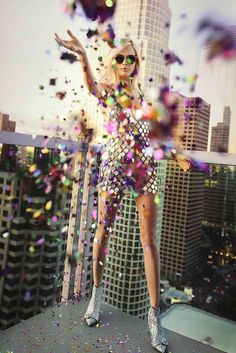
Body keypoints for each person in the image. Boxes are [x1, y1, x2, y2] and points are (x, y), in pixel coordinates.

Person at [54, 29, 190, 353]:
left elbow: (153, 138)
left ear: (137, 63)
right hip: (114, 166)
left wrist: (175, 154)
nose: (127, 62)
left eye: (132, 58)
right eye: (120, 58)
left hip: (144, 169)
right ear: (113, 63)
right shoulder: (107, 90)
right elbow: (89, 85)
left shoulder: (144, 99)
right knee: (102, 230)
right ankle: (96, 297)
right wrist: (83, 54)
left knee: (148, 241)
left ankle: (154, 319)